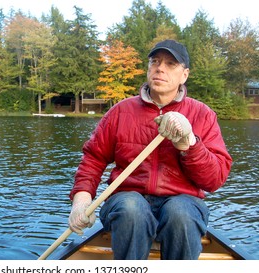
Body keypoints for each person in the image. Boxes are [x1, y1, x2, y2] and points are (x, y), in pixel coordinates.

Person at [68, 39, 233, 260]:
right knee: (131, 209)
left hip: (183, 201)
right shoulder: (120, 111)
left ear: (184, 75)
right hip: (127, 200)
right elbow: (93, 159)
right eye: (155, 61)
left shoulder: (203, 114)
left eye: (170, 64)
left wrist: (190, 145)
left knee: (181, 214)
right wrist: (81, 201)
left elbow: (214, 180)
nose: (160, 68)